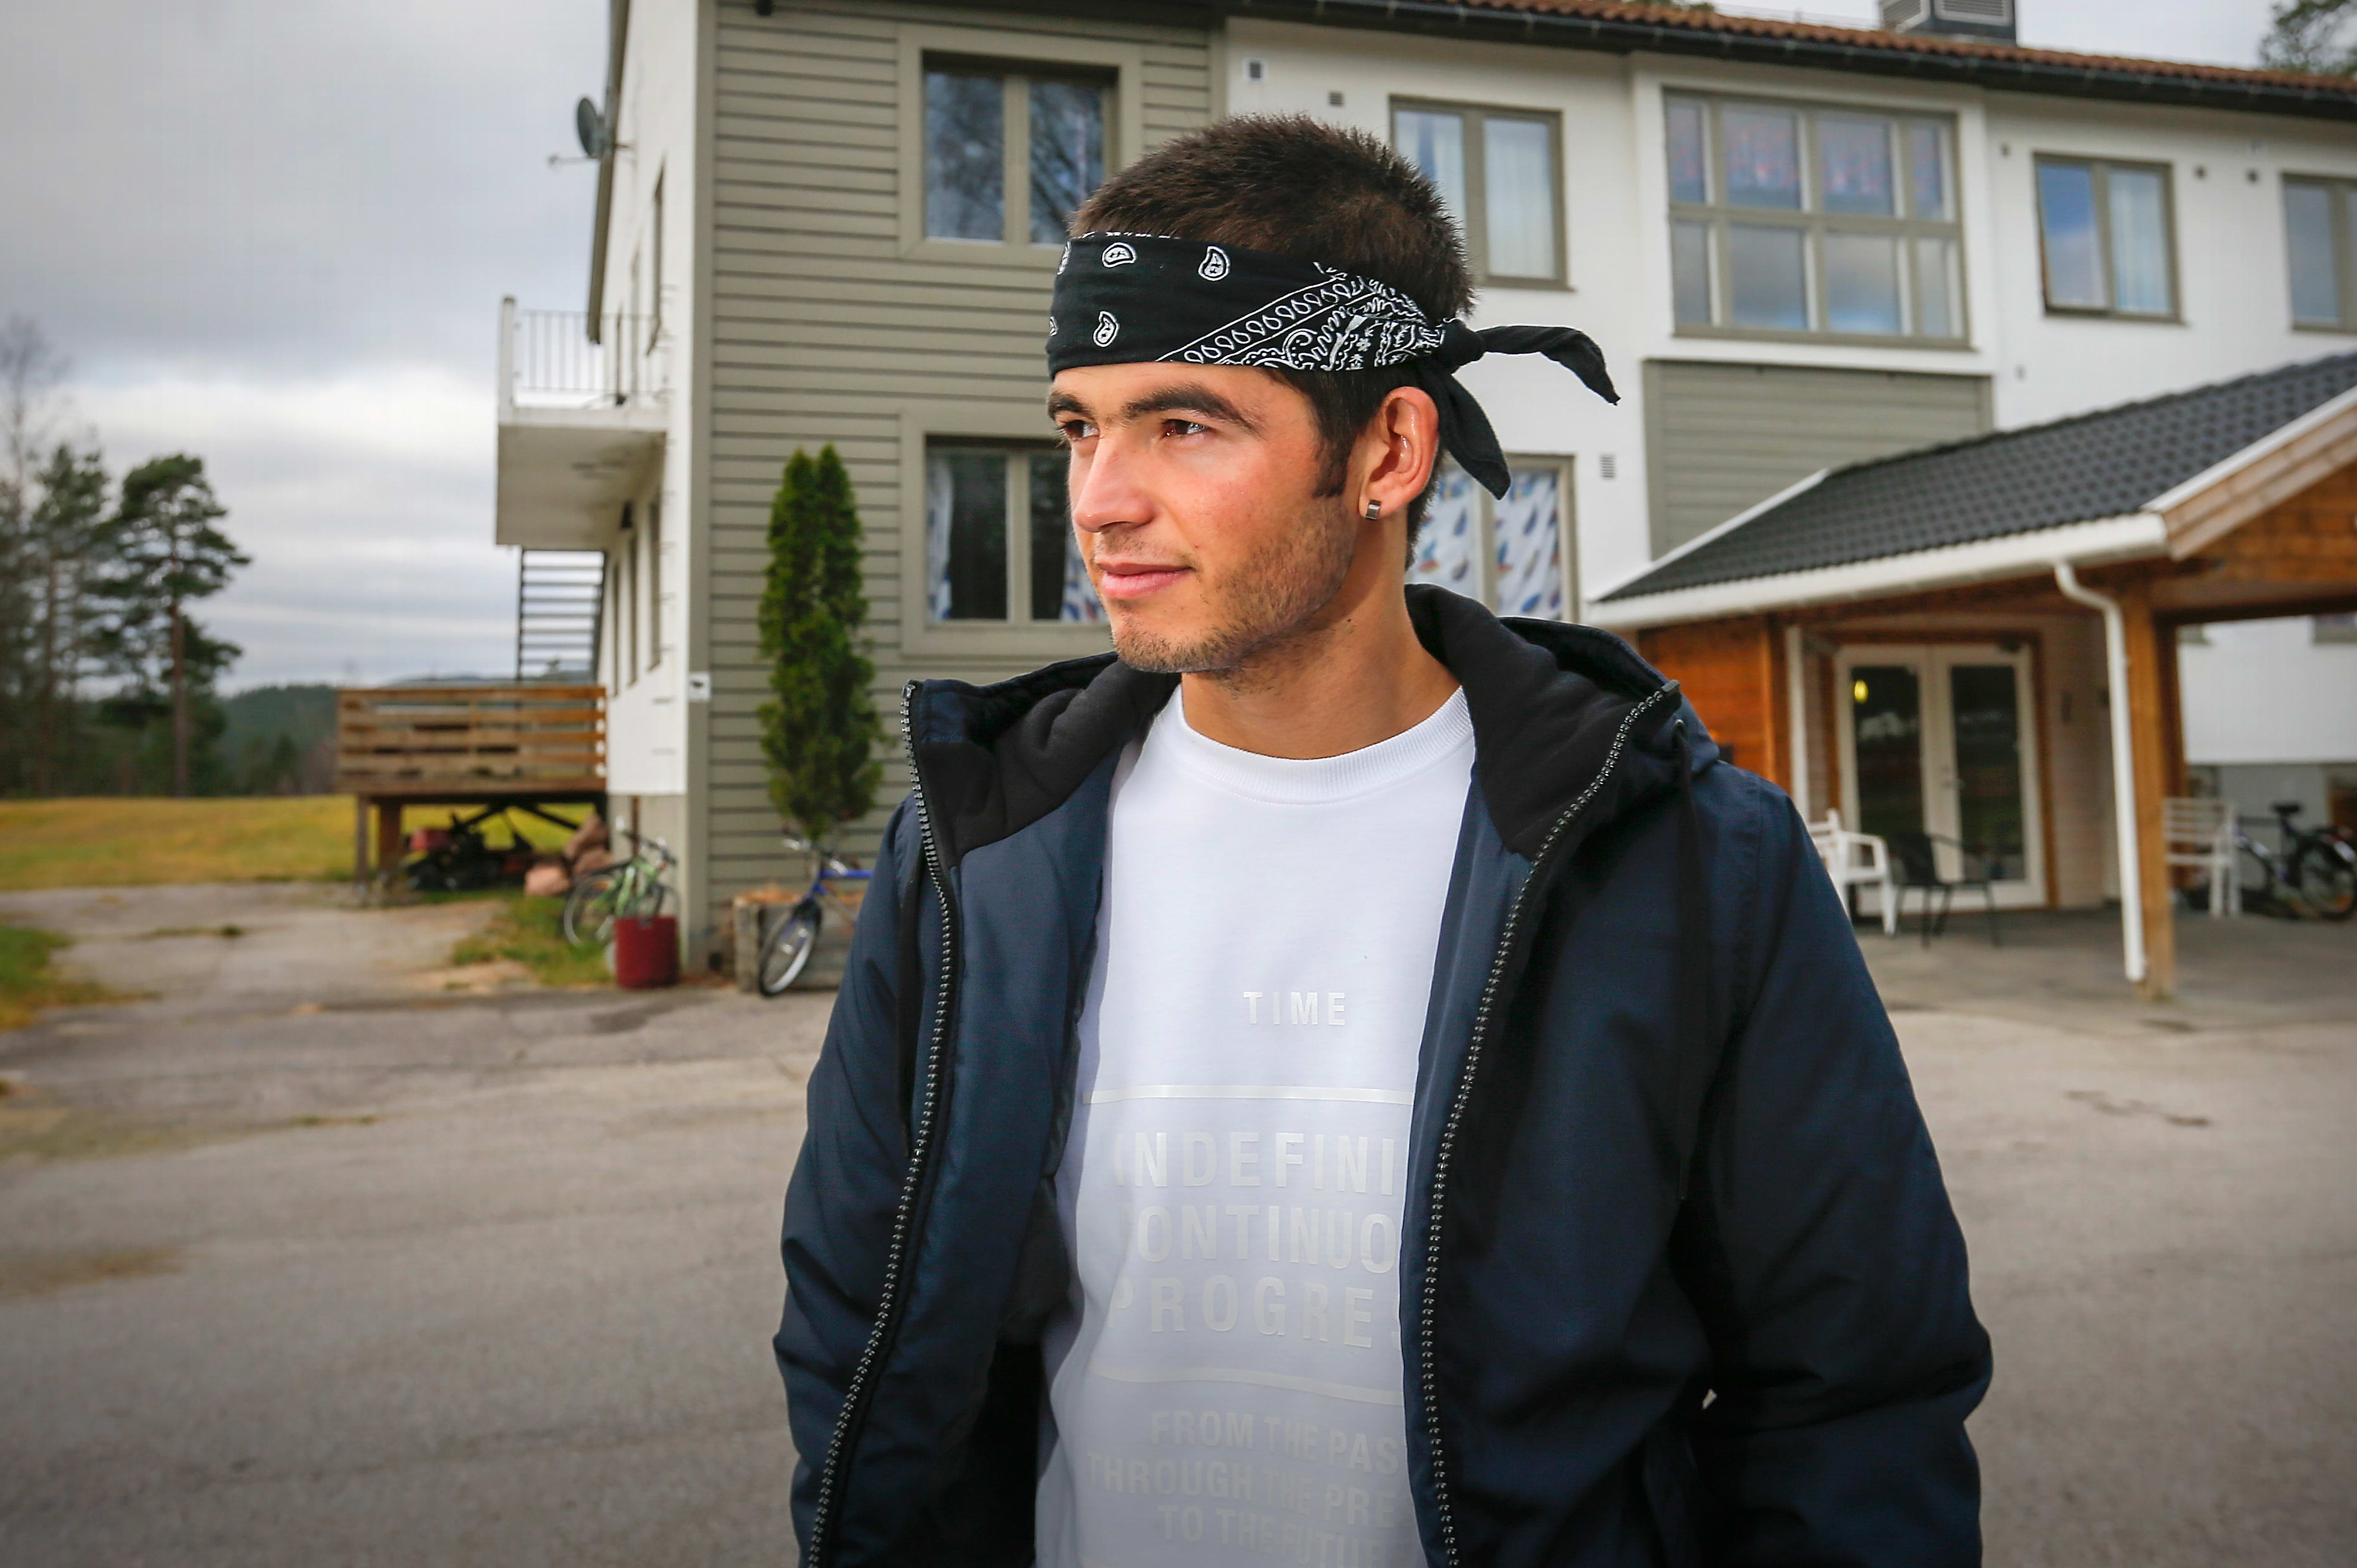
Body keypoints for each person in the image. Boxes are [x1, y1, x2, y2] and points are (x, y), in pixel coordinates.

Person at [777, 116, 1989, 1567]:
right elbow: (857, 1331)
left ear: (1387, 449)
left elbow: (1852, 1393)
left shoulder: (1679, 860)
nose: (1097, 500)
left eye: (1184, 424)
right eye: (1080, 426)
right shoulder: (979, 853)